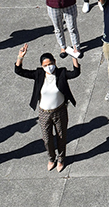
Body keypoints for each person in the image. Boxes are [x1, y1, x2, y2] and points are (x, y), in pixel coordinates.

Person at [14, 44, 80, 172]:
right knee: (47, 138)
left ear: (55, 62)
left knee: (61, 137)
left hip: (59, 110)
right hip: (44, 112)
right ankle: (51, 158)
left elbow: (76, 73)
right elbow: (19, 71)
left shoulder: (61, 73)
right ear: (42, 66)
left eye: (50, 64)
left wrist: (74, 57)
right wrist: (20, 57)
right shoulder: (39, 74)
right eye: (45, 65)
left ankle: (61, 159)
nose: (48, 67)